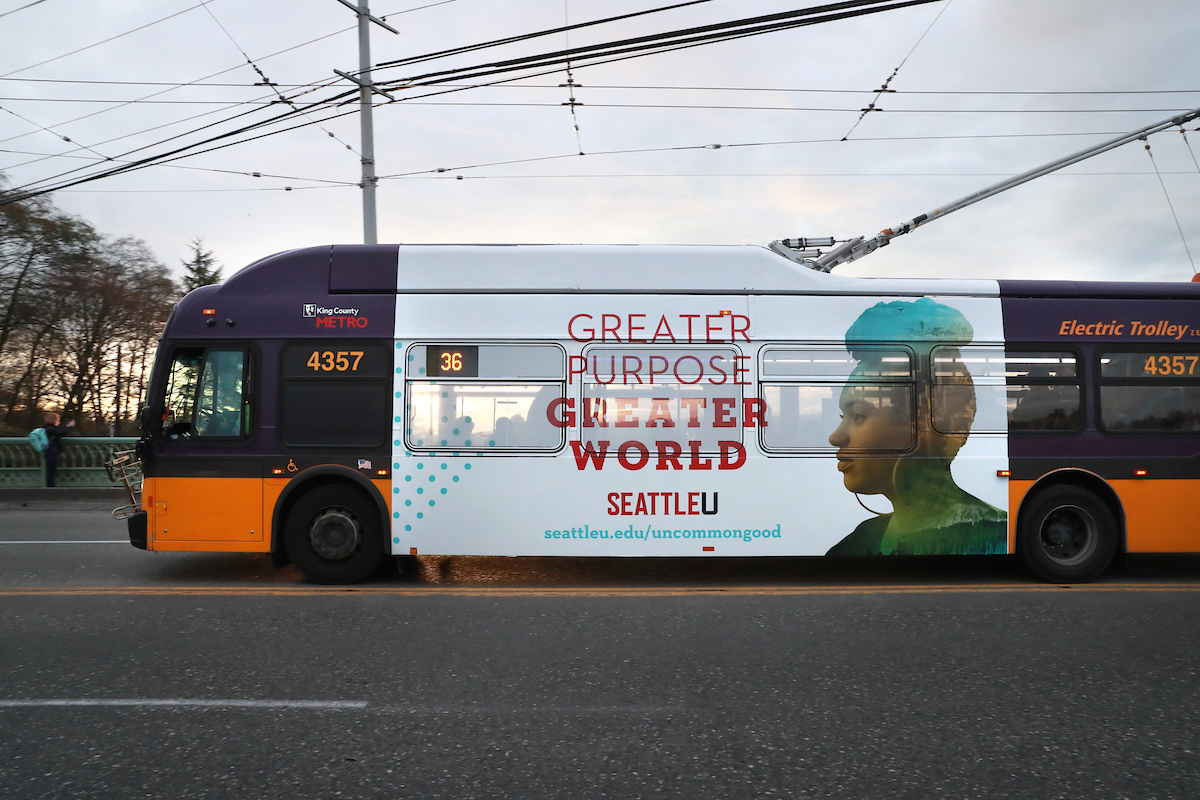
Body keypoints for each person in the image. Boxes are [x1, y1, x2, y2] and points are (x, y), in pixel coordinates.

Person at [826, 299, 1006, 556]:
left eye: (857, 415)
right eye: (843, 416)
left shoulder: (993, 535)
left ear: (923, 424)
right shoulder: (859, 541)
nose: (836, 437)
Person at [40, 411, 76, 488]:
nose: (58, 420)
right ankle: (50, 488)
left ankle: (50, 486)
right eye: (57, 419)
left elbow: (60, 431)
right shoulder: (50, 429)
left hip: (49, 452)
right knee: (51, 471)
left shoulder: (47, 428)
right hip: (51, 452)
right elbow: (63, 432)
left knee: (50, 470)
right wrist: (70, 426)